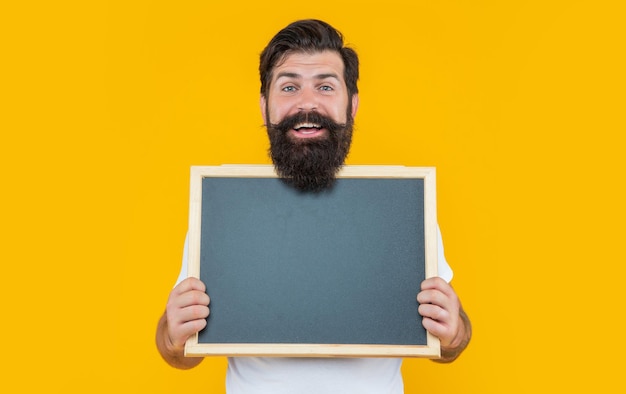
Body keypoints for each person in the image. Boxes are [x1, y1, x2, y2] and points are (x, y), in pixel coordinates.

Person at [156, 19, 471, 393]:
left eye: (325, 86)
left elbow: (450, 344)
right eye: (289, 87)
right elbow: (178, 351)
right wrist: (172, 335)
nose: (307, 103)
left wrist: (454, 332)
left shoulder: (403, 210)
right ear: (264, 106)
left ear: (351, 105)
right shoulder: (222, 211)